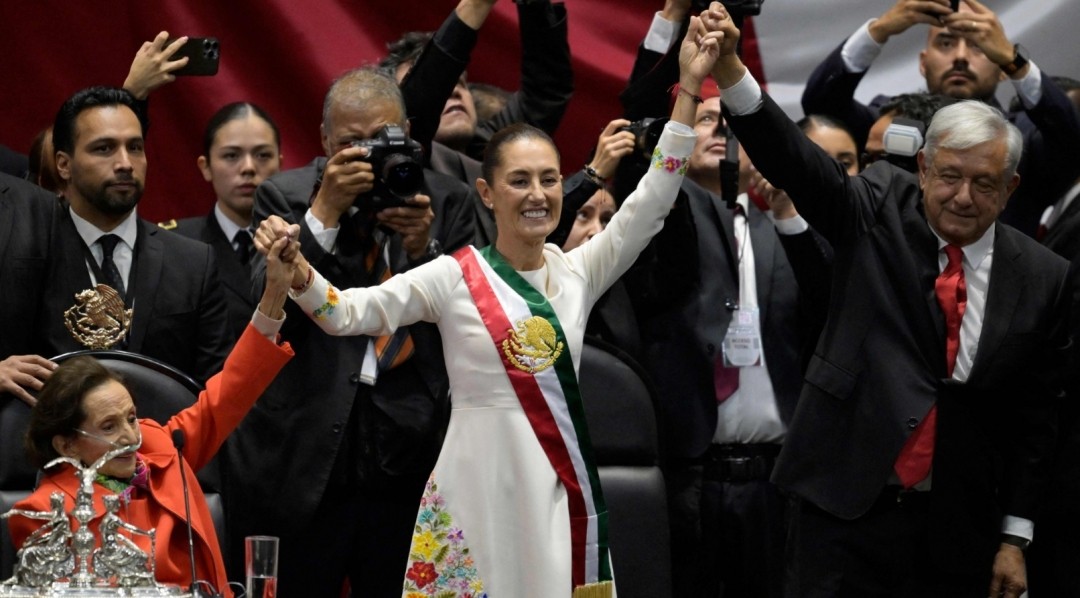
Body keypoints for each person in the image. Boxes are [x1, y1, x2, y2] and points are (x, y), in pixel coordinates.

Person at [255, 12, 719, 596]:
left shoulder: (581, 270)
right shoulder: (450, 277)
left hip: (554, 490)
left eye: (550, 180)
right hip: (469, 490)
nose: (538, 195)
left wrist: (688, 92)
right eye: (520, 180)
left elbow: (653, 197)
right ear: (486, 192)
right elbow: (346, 313)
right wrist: (296, 270)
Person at [709, 13, 1070, 597]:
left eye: (984, 183)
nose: (963, 197)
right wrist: (730, 69)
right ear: (923, 169)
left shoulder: (1044, 277)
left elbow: (1036, 421)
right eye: (949, 175)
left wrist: (1016, 537)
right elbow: (797, 162)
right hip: (842, 508)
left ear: (1010, 190)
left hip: (958, 526)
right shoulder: (878, 205)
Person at [221, 67, 475, 596]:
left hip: (410, 444)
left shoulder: (446, 198)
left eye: (380, 140)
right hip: (306, 442)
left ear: (408, 133)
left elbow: (471, 326)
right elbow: (265, 310)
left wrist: (422, 254)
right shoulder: (286, 196)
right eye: (349, 145)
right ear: (322, 141)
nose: (367, 157)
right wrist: (325, 212)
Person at [7, 234, 296, 595]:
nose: (131, 437)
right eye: (109, 427)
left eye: (131, 417)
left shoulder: (161, 447)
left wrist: (274, 296)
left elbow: (230, 394)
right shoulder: (40, 513)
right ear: (67, 444)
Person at [801, 0, 1080, 237]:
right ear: (922, 63)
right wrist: (879, 30)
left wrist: (1014, 58)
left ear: (1002, 69)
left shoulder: (1022, 139)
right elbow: (821, 104)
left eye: (979, 46)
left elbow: (1071, 136)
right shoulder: (888, 122)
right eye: (945, 43)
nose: (960, 56)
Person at [25, 86, 231, 387]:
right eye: (104, 148)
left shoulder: (193, 263)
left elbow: (219, 390)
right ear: (64, 165)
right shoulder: (27, 256)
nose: (125, 163)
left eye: (135, 147)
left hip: (169, 430)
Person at [163, 102, 283, 345]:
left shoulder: (302, 239)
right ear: (205, 167)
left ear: (279, 163)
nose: (248, 168)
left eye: (262, 155)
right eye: (231, 155)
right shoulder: (175, 244)